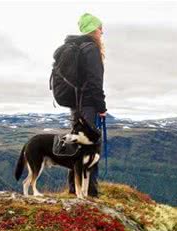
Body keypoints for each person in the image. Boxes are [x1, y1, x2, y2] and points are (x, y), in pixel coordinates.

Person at [66, 13, 107, 197]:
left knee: (77, 146)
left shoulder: (77, 47)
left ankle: (75, 188)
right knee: (90, 147)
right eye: (100, 28)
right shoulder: (91, 49)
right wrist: (102, 107)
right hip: (89, 105)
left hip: (76, 104)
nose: (102, 31)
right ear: (93, 29)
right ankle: (90, 191)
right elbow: (95, 82)